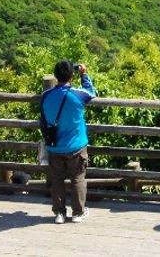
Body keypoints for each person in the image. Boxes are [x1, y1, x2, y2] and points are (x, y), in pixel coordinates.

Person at [41, 60, 96, 224]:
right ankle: (78, 213)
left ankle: (59, 213)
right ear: (72, 75)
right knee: (78, 177)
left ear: (56, 75)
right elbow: (91, 92)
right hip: (76, 146)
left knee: (57, 179)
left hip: (54, 145)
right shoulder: (78, 95)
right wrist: (84, 74)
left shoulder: (46, 96)